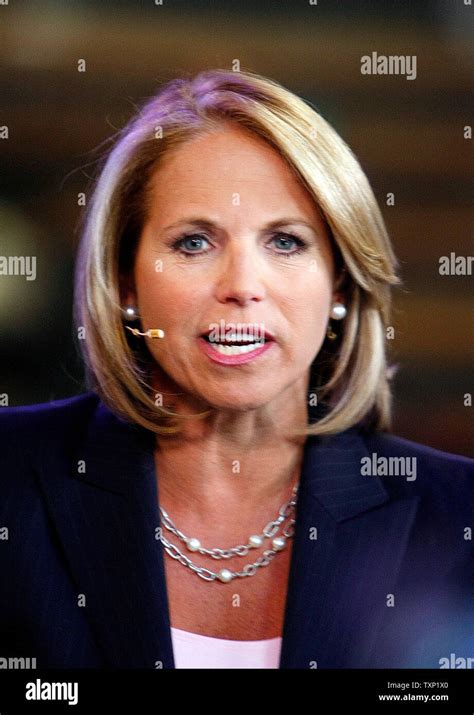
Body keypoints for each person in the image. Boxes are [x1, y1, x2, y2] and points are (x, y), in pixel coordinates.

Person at [0, 69, 472, 670]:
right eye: (194, 242)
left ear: (340, 283)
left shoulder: (460, 514)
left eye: (286, 242)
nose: (243, 286)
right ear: (125, 281)